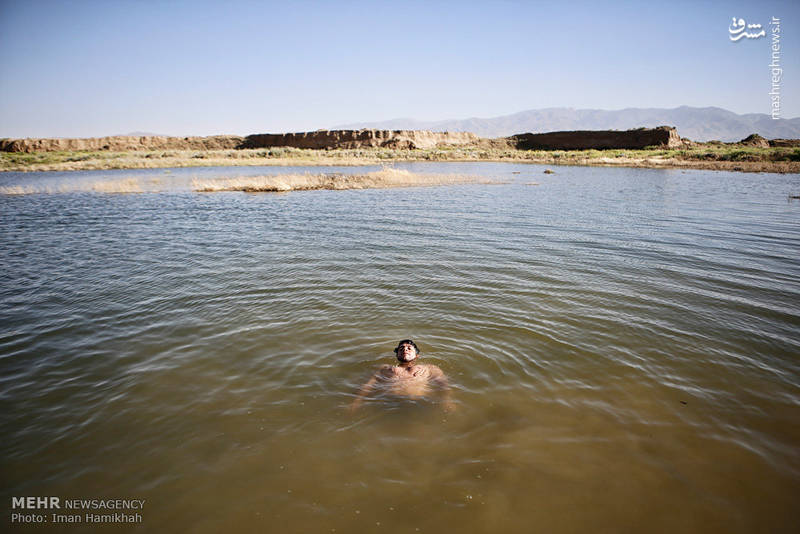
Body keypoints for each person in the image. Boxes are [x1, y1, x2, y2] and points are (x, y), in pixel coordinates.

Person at [349, 339, 456, 412]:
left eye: (409, 348)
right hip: (390, 405)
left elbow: (443, 385)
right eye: (401, 349)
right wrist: (357, 401)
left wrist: (447, 400)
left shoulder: (429, 368)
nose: (405, 349)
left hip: (421, 405)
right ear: (397, 355)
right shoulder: (385, 368)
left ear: (417, 355)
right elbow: (369, 385)